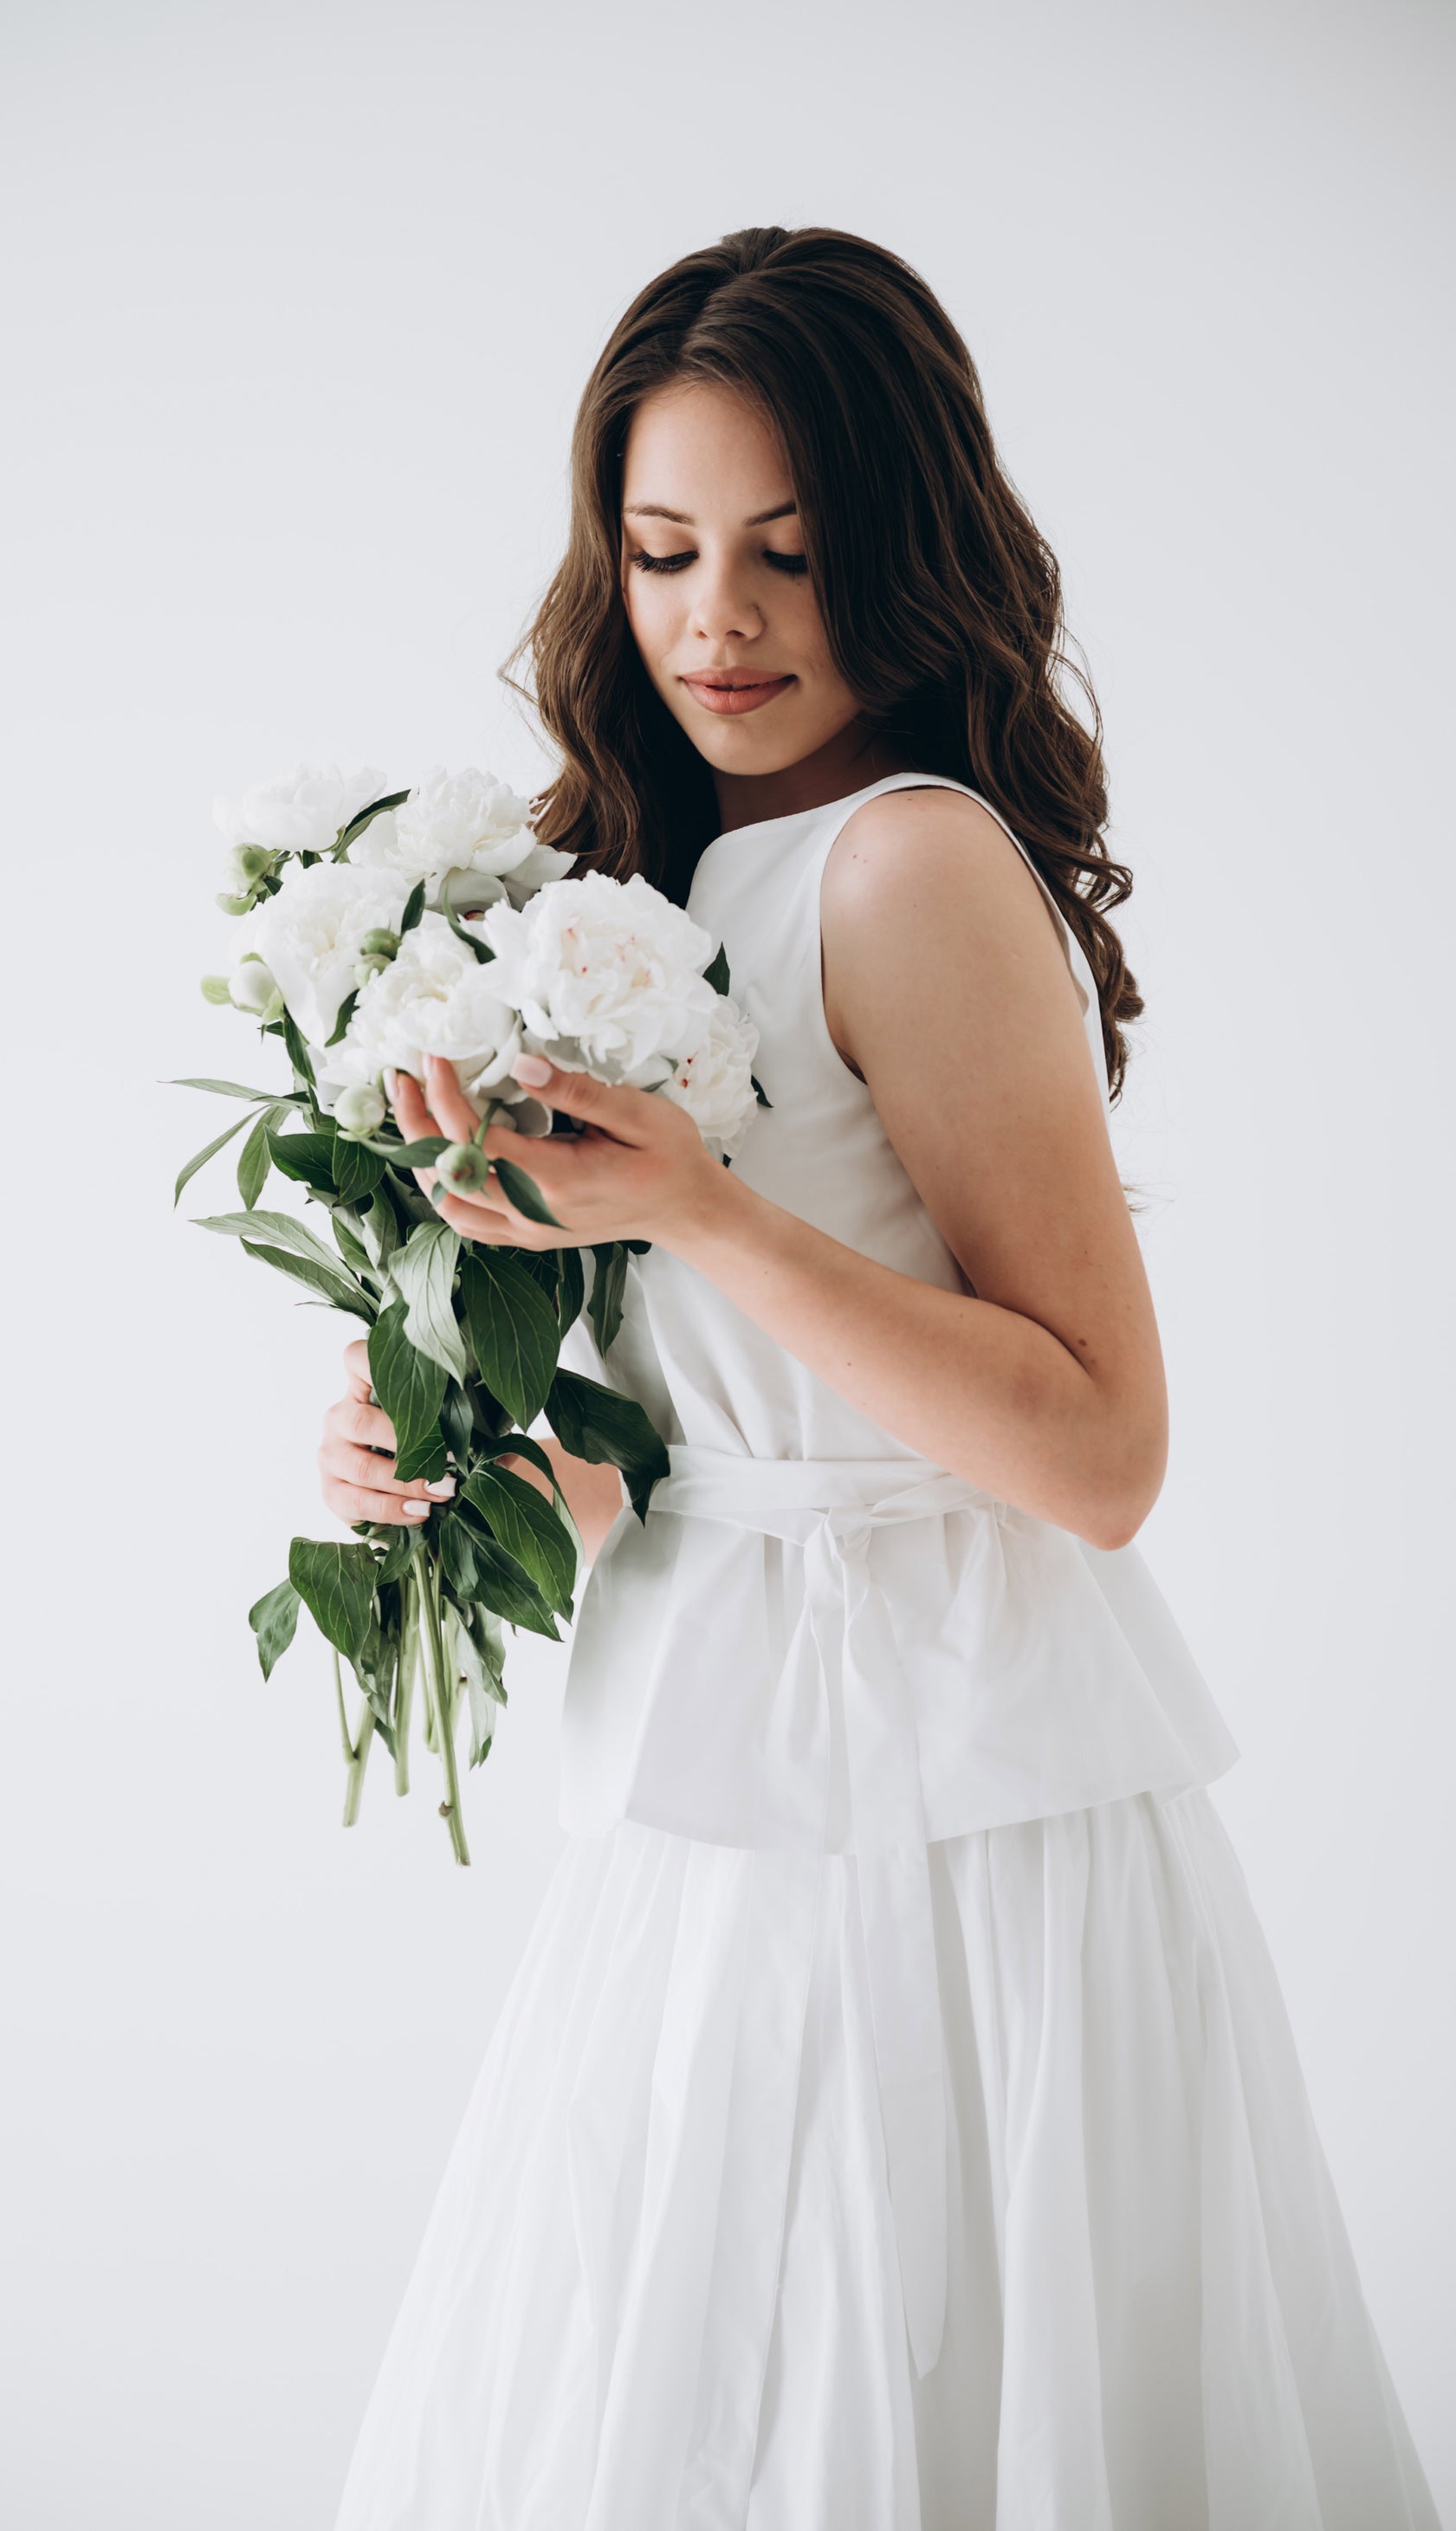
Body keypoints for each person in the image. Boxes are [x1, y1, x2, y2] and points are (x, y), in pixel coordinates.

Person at [320, 228, 1440, 2528]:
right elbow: (713, 1446)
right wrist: (460, 1462)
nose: (714, 616)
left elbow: (1099, 1452)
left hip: (946, 1819)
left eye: (787, 554)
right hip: (707, 1786)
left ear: (899, 551)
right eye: (658, 552)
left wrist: (703, 1208)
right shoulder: (638, 882)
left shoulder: (909, 861)